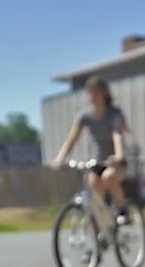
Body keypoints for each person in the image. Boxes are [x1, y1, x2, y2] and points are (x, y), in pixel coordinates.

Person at [49, 76, 132, 224]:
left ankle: (122, 208)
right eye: (90, 93)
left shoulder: (114, 114)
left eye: (95, 93)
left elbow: (117, 135)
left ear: (104, 94)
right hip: (97, 161)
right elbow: (71, 139)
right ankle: (104, 223)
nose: (92, 97)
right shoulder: (84, 116)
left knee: (108, 176)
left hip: (114, 161)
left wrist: (118, 155)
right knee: (93, 183)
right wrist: (60, 158)